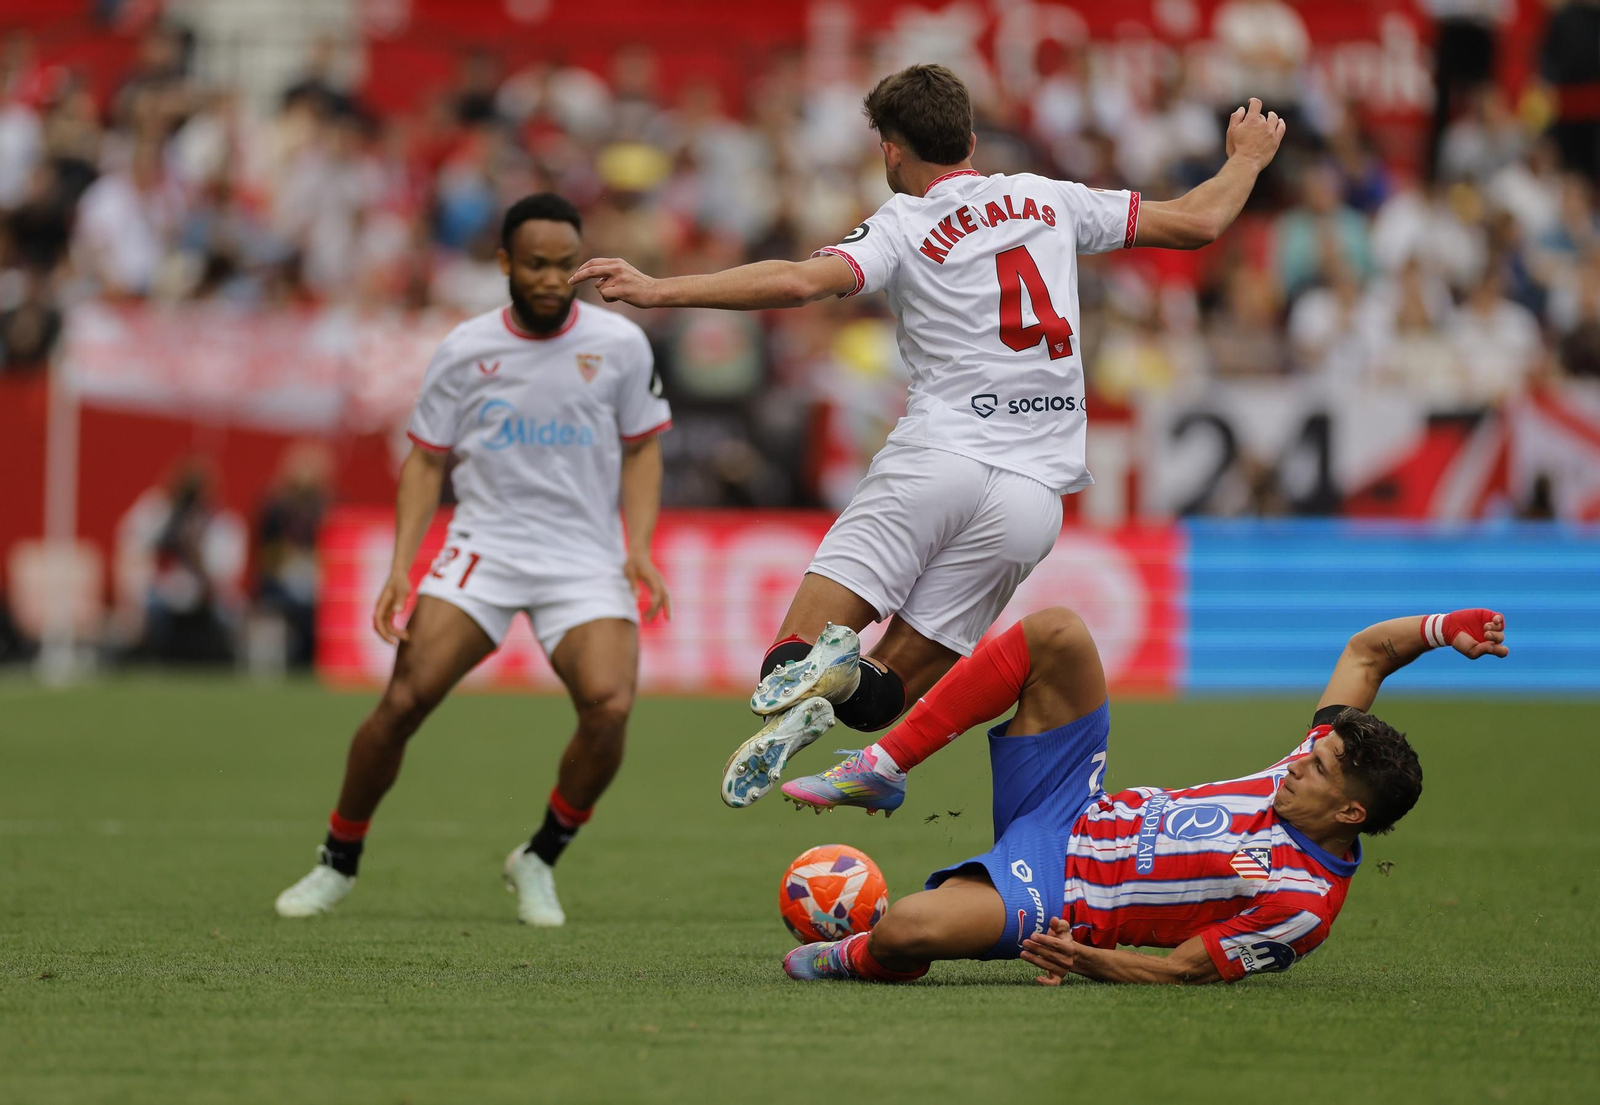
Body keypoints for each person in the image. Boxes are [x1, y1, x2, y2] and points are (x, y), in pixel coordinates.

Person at [570, 64, 1287, 810]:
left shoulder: (903, 223)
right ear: (971, 140)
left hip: (938, 458)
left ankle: (824, 668)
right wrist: (1245, 159)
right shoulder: (1051, 198)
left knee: (787, 662)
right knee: (879, 700)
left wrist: (659, 289)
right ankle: (841, 683)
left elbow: (800, 283)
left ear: (890, 150)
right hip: (1033, 496)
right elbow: (1199, 222)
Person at [274, 193, 673, 925]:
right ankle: (337, 860)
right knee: (403, 702)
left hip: (583, 556)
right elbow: (426, 461)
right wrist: (401, 565)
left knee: (610, 708)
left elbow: (643, 447)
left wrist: (639, 547)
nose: (552, 278)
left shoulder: (620, 344)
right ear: (504, 264)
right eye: (536, 264)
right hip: (483, 547)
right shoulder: (464, 348)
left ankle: (540, 856)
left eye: (565, 264)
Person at [778, 606, 1508, 985]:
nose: (1299, 765)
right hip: (1073, 803)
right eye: (1311, 754)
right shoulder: (1310, 764)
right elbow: (1366, 654)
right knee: (1058, 632)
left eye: (1318, 769)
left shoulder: (1302, 905)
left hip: (1063, 894)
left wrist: (1086, 959)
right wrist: (1446, 629)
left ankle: (861, 956)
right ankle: (885, 764)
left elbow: (1185, 970)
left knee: (907, 927)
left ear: (1351, 812)